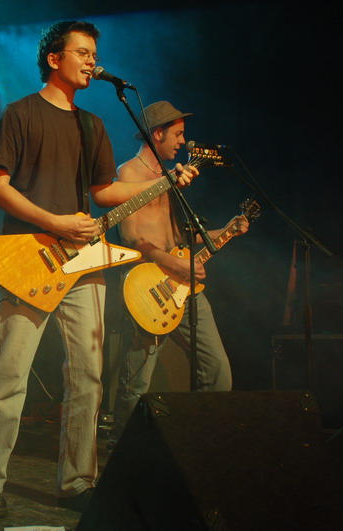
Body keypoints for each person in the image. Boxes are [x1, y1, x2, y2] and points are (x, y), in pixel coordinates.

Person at [0, 22, 198, 518]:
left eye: (95, 54)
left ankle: (76, 482)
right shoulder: (20, 114)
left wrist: (163, 182)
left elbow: (104, 193)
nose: (93, 62)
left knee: (89, 378)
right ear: (55, 59)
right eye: (83, 53)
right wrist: (53, 221)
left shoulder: (92, 125)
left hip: (85, 265)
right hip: (30, 258)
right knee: (9, 373)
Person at [106, 101, 247, 450]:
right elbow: (134, 240)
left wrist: (224, 230)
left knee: (216, 369)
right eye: (178, 134)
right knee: (137, 381)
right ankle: (122, 448)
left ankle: (201, 444)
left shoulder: (169, 178)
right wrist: (176, 264)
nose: (183, 141)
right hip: (148, 286)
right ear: (158, 133)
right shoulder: (128, 173)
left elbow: (180, 236)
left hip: (184, 286)